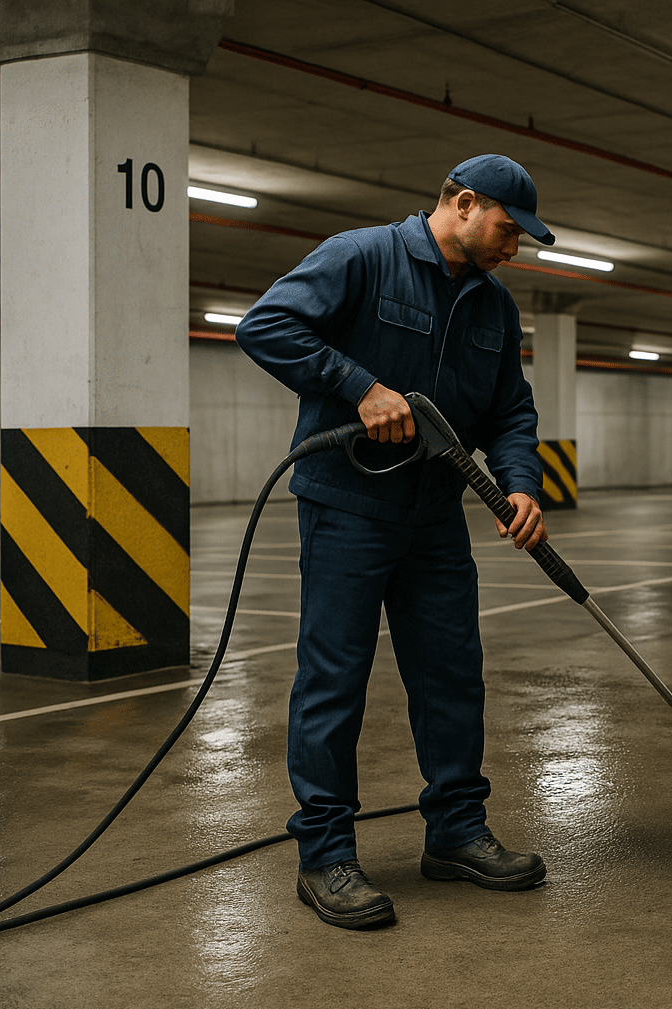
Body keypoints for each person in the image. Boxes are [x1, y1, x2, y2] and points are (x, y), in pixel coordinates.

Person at [236, 154, 555, 930]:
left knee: (451, 675)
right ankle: (325, 855)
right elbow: (264, 326)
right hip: (348, 503)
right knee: (334, 679)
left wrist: (521, 482)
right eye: (509, 231)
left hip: (435, 514)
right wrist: (358, 385)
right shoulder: (361, 256)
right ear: (462, 202)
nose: (515, 248)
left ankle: (455, 831)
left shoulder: (495, 307)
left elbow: (511, 409)